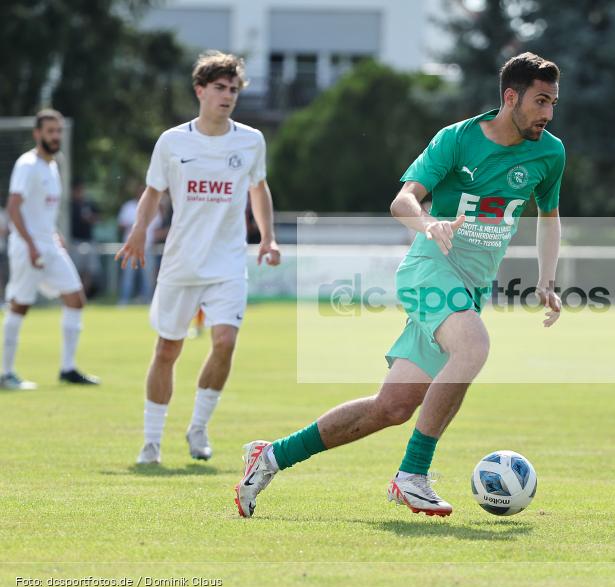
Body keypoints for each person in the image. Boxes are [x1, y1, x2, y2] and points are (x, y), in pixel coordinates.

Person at [234, 52, 565, 519]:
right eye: (540, 101)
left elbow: (549, 220)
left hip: (470, 287)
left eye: (553, 102)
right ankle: (411, 476)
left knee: (391, 407)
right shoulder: (457, 139)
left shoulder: (550, 152)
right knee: (472, 348)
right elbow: (402, 201)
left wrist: (547, 280)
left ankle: (269, 457)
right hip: (429, 267)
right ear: (511, 97)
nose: (548, 113)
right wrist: (429, 224)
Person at [116, 51, 280, 465]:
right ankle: (151, 441)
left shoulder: (250, 140)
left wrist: (267, 237)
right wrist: (138, 231)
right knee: (167, 350)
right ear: (200, 91)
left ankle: (199, 426)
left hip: (226, 263)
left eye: (234, 89)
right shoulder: (172, 142)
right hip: (181, 263)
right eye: (220, 88)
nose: (228, 96)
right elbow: (154, 191)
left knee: (224, 341)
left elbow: (258, 188)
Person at [2, 109, 99, 389]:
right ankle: (5, 373)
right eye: (50, 131)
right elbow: (13, 208)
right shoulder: (27, 164)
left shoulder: (54, 164)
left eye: (58, 131)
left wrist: (54, 234)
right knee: (19, 305)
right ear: (38, 134)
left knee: (75, 298)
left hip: (50, 246)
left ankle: (67, 368)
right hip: (27, 248)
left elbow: (42, 209)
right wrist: (32, 245)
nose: (56, 136)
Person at [117, 185, 161, 305]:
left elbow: (157, 228)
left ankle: (147, 300)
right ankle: (124, 300)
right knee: (128, 277)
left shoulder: (153, 207)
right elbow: (120, 225)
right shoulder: (129, 206)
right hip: (130, 248)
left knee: (148, 277)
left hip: (147, 248)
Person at [68, 180, 101, 295]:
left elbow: (98, 218)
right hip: (75, 241)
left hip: (89, 240)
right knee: (75, 270)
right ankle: (76, 294)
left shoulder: (88, 203)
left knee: (89, 271)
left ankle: (84, 295)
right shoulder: (70, 205)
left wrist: (89, 218)